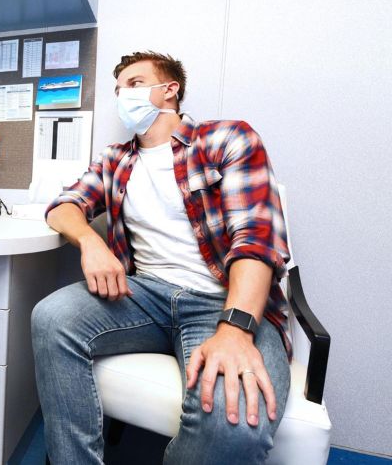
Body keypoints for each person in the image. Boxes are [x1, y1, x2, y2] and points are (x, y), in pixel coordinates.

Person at [31, 51, 292, 464]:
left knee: (233, 429)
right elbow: (63, 207)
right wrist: (90, 242)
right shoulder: (116, 160)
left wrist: (235, 329)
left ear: (170, 90)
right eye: (118, 90)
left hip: (220, 301)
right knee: (51, 317)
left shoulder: (226, 138)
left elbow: (256, 240)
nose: (123, 96)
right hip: (145, 295)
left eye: (135, 84)